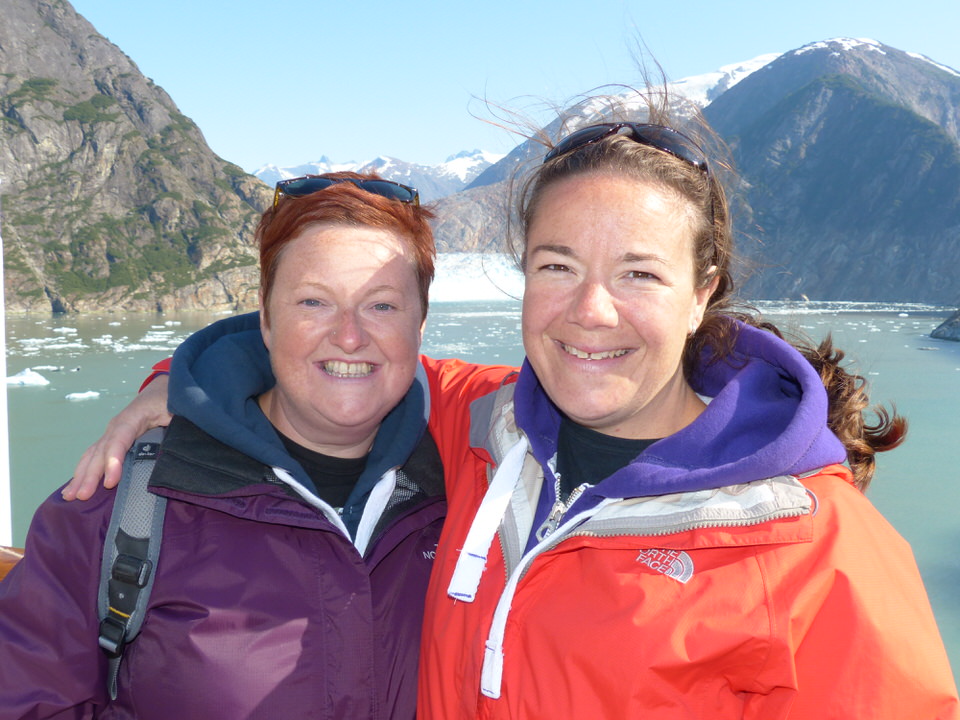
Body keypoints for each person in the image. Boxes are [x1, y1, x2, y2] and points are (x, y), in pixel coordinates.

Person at [64, 109, 959, 717]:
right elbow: (339, 354)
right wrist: (173, 389)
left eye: (640, 273)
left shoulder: (817, 547)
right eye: (558, 265)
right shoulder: (479, 424)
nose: (590, 311)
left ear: (703, 294)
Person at [0, 171, 473, 718]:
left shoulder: (472, 489)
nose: (349, 335)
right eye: (314, 302)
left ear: (421, 325)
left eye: (382, 306)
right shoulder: (123, 505)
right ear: (265, 319)